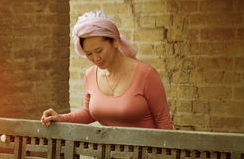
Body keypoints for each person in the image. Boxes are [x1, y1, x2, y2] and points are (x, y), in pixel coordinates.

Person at [41, 10, 173, 130]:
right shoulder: (90, 75)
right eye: (89, 54)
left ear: (115, 41)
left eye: (99, 51)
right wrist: (61, 118)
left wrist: (167, 156)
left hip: (147, 155)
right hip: (109, 156)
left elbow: (163, 120)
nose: (95, 58)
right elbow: (88, 113)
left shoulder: (146, 74)